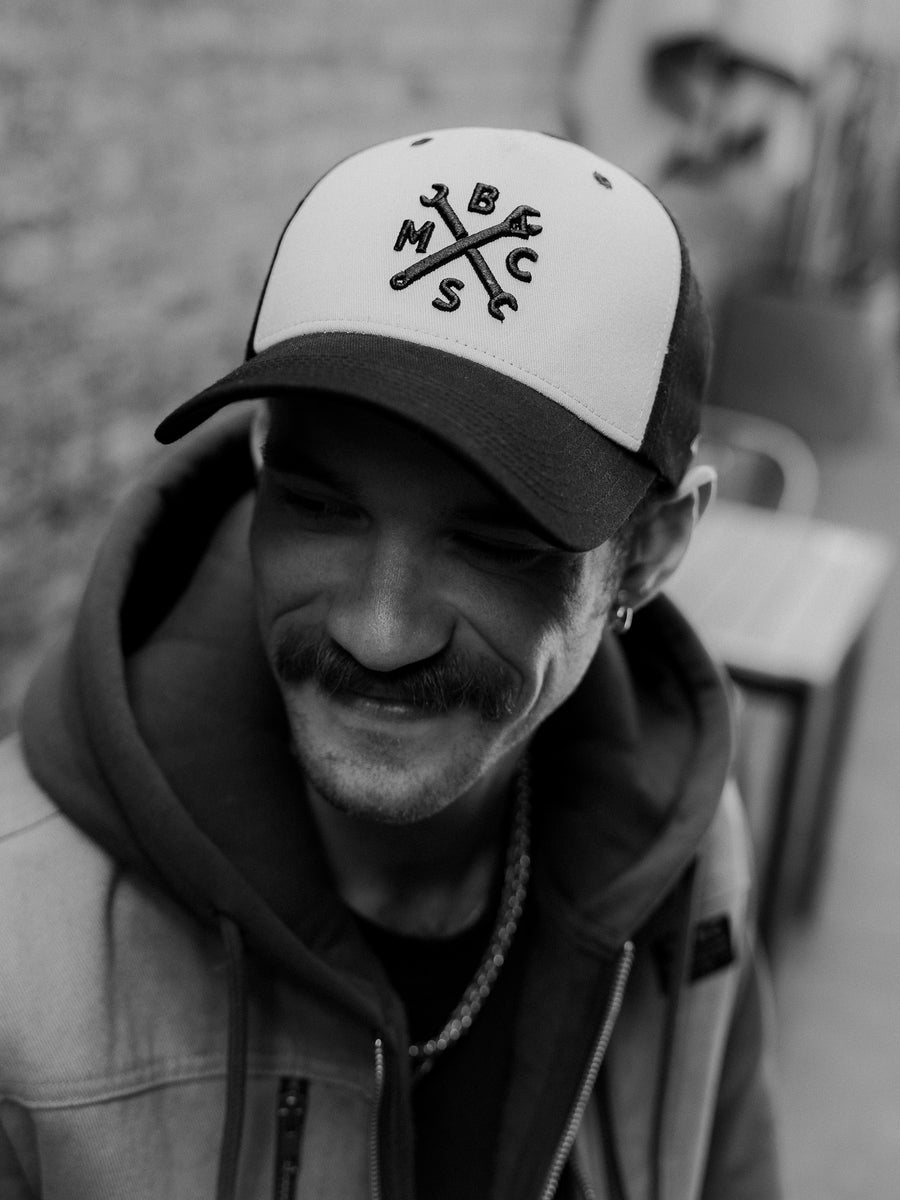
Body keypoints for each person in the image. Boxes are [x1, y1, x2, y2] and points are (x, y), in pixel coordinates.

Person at [0, 127, 781, 1199]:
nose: (379, 631)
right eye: (322, 507)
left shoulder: (687, 855)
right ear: (259, 459)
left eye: (498, 542)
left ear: (650, 549)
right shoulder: (18, 941)